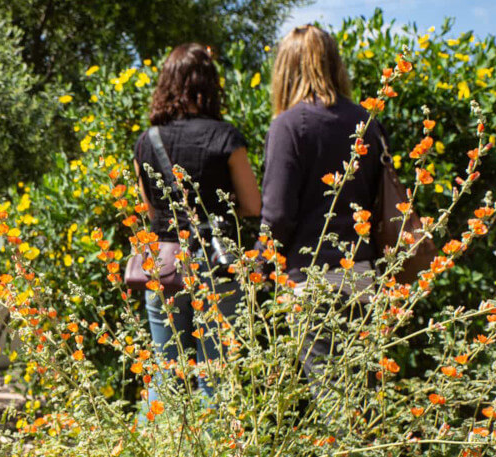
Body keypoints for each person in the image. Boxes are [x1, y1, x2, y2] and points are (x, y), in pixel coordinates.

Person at [133, 44, 261, 402]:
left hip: (164, 262)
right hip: (214, 260)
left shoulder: (146, 141)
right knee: (215, 375)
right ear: (209, 84)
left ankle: (160, 454)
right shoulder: (224, 136)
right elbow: (252, 205)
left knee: (165, 373)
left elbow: (150, 210)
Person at [261, 25, 386, 388]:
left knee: (331, 405)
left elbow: (278, 215)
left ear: (286, 69)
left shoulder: (289, 125)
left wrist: (256, 261)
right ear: (334, 65)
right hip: (362, 274)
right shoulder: (366, 121)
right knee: (363, 399)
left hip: (311, 282)